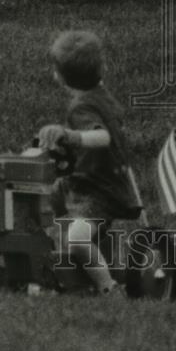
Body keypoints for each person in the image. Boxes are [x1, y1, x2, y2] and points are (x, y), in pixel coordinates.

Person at [36, 29, 141, 297]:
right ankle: (56, 266)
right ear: (102, 67)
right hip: (90, 180)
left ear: (59, 76)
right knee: (44, 200)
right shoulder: (104, 96)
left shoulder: (80, 108)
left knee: (78, 239)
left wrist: (70, 136)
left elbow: (102, 136)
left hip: (98, 191)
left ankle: (107, 287)